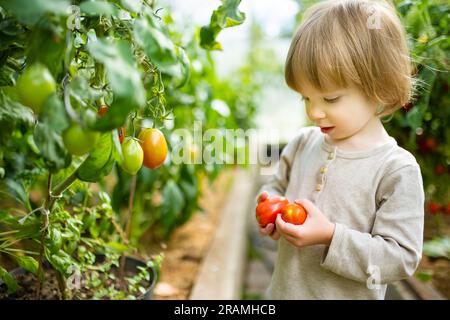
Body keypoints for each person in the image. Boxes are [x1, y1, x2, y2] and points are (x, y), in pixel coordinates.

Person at [257, 0, 425, 299]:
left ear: (380, 89)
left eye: (330, 99)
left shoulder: (395, 169)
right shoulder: (302, 144)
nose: (314, 112)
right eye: (305, 99)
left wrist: (331, 237)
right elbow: (274, 188)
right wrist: (270, 210)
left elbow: (400, 257)